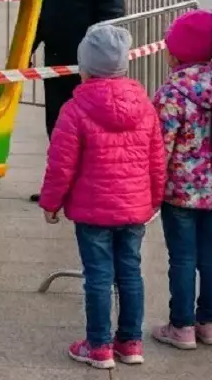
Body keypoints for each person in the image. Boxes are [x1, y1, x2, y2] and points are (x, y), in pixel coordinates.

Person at [39, 24, 166, 370]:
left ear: (85, 68)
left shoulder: (74, 110)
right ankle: (131, 342)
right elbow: (157, 158)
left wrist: (51, 202)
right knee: (130, 273)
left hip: (92, 211)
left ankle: (98, 346)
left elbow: (60, 164)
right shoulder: (145, 106)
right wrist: (155, 197)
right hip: (134, 209)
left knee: (97, 276)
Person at [29, 0, 126, 201]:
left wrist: (99, 63)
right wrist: (27, 47)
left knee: (89, 127)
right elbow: (41, 10)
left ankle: (90, 186)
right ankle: (62, 184)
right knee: (57, 122)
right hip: (56, 57)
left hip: (88, 63)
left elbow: (111, 15)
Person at [150, 11, 212, 351]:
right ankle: (209, 323)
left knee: (182, 258)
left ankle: (181, 326)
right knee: (210, 254)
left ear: (176, 53)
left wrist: (152, 187)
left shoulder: (172, 93)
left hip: (179, 191)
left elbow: (160, 146)